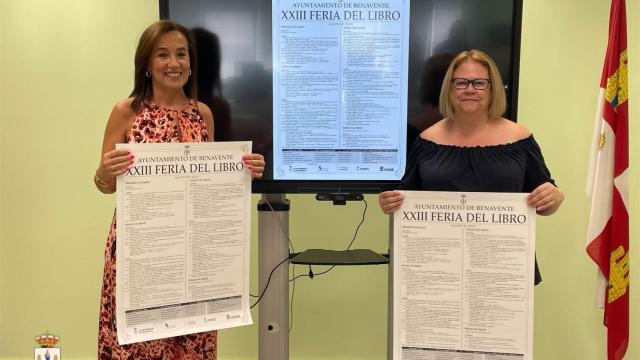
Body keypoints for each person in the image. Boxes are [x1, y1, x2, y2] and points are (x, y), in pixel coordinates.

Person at [93, 20, 265, 359]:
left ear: (190, 62)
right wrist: (104, 171)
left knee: (189, 343)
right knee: (137, 345)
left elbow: (209, 185)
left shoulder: (203, 114)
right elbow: (104, 186)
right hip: (139, 253)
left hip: (192, 257)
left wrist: (244, 171)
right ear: (146, 64)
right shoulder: (126, 112)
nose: (174, 63)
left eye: (181, 54)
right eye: (163, 54)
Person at [379, 49, 564, 284]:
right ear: (450, 88)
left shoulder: (520, 139)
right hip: (439, 269)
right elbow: (404, 199)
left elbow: (545, 203)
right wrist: (389, 203)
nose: (469, 90)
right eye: (461, 83)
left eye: (479, 83)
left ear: (492, 88)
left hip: (503, 269)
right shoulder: (427, 141)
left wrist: (555, 197)